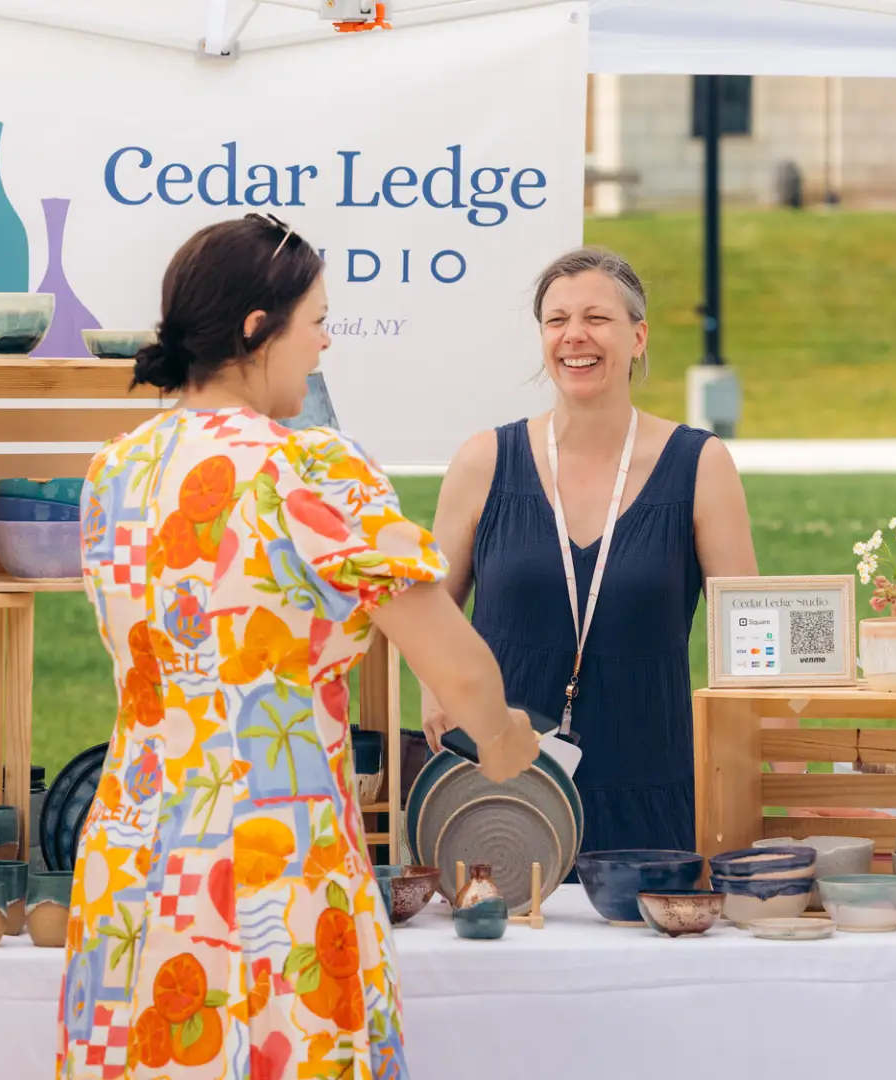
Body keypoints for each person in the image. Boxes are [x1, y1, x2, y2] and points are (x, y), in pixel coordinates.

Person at [64, 213, 539, 1079]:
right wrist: (506, 743)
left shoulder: (116, 471)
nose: (324, 344)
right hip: (273, 863)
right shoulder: (314, 471)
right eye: (317, 321)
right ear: (258, 328)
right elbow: (461, 669)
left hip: (131, 858)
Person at [420, 246, 758, 857]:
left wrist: (777, 767)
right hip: (502, 796)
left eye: (597, 318)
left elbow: (750, 638)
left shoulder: (700, 465)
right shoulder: (483, 462)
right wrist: (436, 690)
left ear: (638, 336)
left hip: (651, 793)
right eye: (557, 320)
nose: (574, 335)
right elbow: (428, 612)